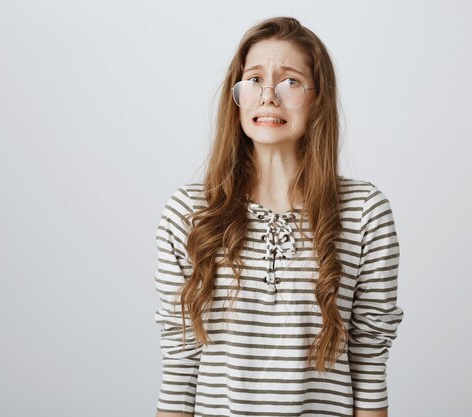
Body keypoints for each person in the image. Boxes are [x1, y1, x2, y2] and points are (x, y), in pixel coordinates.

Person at [153, 16, 404, 417]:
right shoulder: (189, 213)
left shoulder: (364, 213)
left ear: (318, 98)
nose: (268, 96)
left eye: (289, 81)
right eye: (253, 79)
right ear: (235, 95)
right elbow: (179, 364)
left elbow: (370, 361)